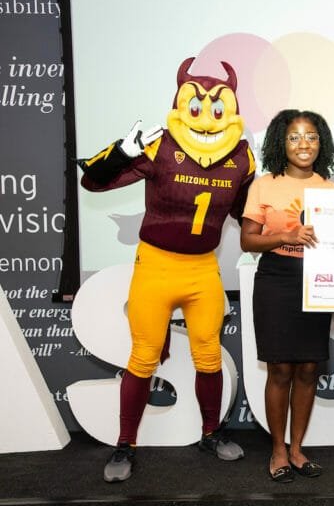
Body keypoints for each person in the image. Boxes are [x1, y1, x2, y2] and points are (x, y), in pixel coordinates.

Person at [80, 57, 252, 482]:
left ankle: (210, 432)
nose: (207, 117)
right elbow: (93, 183)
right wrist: (121, 152)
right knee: (142, 357)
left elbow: (250, 213)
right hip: (156, 265)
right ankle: (125, 444)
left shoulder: (242, 157)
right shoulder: (159, 145)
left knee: (209, 356)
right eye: (197, 107)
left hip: (201, 269)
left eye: (216, 108)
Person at [240, 109, 334, 483]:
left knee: (310, 368)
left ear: (321, 144)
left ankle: (297, 449)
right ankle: (278, 449)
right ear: (282, 141)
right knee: (280, 368)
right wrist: (284, 236)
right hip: (277, 279)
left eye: (311, 137)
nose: (304, 144)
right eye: (295, 137)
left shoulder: (330, 190)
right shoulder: (265, 184)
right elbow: (247, 239)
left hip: (317, 281)